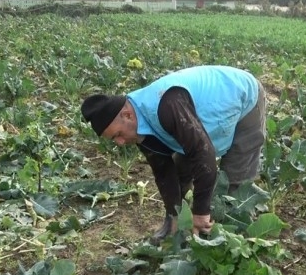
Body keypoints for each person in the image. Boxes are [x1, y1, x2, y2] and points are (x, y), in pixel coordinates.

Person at [80, 65, 266, 241]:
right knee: (180, 172)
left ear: (127, 115)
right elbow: (163, 171)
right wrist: (173, 216)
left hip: (242, 96)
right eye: (114, 140)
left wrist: (201, 212)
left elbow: (203, 155)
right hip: (196, 120)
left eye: (118, 135)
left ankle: (237, 235)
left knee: (235, 181)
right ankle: (180, 224)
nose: (120, 143)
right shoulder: (138, 124)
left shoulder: (167, 105)